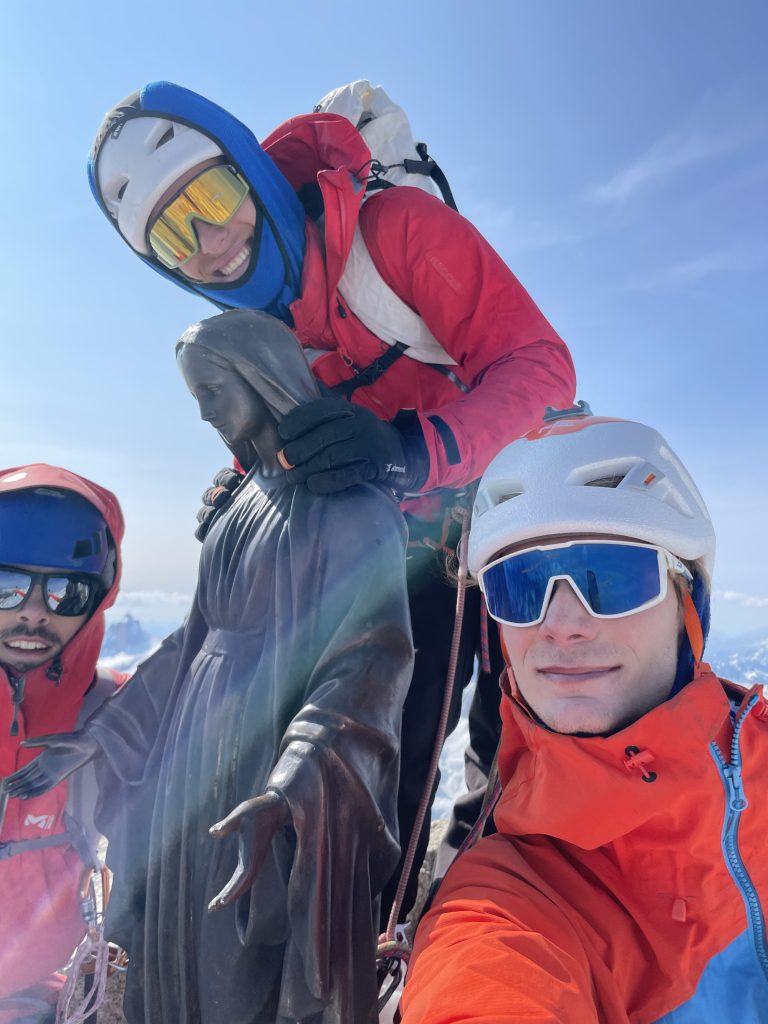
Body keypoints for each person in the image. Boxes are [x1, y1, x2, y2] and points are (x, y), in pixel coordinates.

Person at [87, 80, 577, 916]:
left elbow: (540, 365)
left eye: (212, 197)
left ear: (250, 173)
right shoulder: (252, 337)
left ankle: (485, 925)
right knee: (392, 751)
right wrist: (251, 484)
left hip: (518, 518)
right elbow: (305, 450)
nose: (211, 244)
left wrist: (414, 448)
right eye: (172, 234)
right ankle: (387, 935)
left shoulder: (395, 233)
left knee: (522, 750)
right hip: (411, 552)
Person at [3, 310, 414, 1024]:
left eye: (212, 392)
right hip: (192, 762)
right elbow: (192, 642)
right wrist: (103, 736)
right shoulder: (236, 503)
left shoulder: (350, 509)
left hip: (268, 756)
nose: (204, 414)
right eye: (196, 396)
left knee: (244, 968)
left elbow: (367, 663)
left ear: (264, 377)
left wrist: (292, 789)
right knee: (177, 950)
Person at [399, 409, 768, 1023]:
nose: (561, 625)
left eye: (612, 577)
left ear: (688, 604)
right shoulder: (505, 903)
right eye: (520, 586)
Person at [0, 466, 124, 1024]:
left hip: (56, 996)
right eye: (5, 585)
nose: (34, 611)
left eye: (65, 593)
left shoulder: (114, 710)